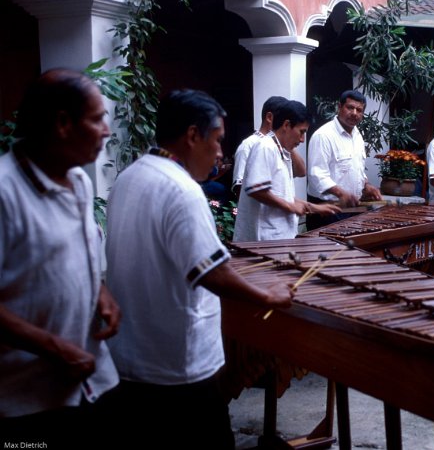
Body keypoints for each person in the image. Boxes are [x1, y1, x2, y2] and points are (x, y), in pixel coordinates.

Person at [104, 89, 294, 449]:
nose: (221, 153)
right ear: (192, 136)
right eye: (218, 140)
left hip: (129, 360)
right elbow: (211, 272)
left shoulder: (128, 177)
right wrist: (268, 294)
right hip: (178, 368)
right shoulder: (182, 190)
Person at [0, 69, 119, 446]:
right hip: (25, 399)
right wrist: (55, 348)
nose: (107, 130)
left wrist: (100, 292)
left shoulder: (80, 181)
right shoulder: (5, 192)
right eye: (98, 118)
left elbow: (76, 251)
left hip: (90, 380)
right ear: (63, 124)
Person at [233, 100, 340, 242]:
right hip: (262, 241)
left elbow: (282, 194)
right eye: (301, 132)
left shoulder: (282, 151)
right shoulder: (265, 146)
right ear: (286, 125)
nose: (302, 139)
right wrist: (290, 207)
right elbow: (256, 189)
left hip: (279, 238)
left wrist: (312, 207)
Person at [306, 89, 382, 229]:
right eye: (350, 107)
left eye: (359, 110)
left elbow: (355, 169)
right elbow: (317, 175)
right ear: (339, 107)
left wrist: (367, 185)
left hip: (352, 209)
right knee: (327, 250)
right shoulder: (324, 136)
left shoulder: (358, 135)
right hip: (327, 210)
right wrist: (341, 193)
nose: (354, 113)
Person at [231, 96, 305, 196]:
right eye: (285, 119)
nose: (286, 124)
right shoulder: (248, 145)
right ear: (269, 117)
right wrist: (288, 206)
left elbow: (301, 172)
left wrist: (287, 144)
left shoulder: (281, 145)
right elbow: (240, 188)